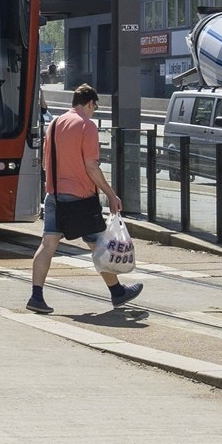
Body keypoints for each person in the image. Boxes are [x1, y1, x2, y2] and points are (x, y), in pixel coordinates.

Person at [28, 83, 141, 315]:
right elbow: (91, 166)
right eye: (94, 107)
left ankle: (36, 296)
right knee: (99, 246)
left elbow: (44, 163)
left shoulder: (55, 123)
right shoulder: (87, 126)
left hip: (54, 196)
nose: (93, 111)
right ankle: (118, 292)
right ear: (90, 103)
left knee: (48, 244)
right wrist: (111, 194)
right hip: (80, 199)